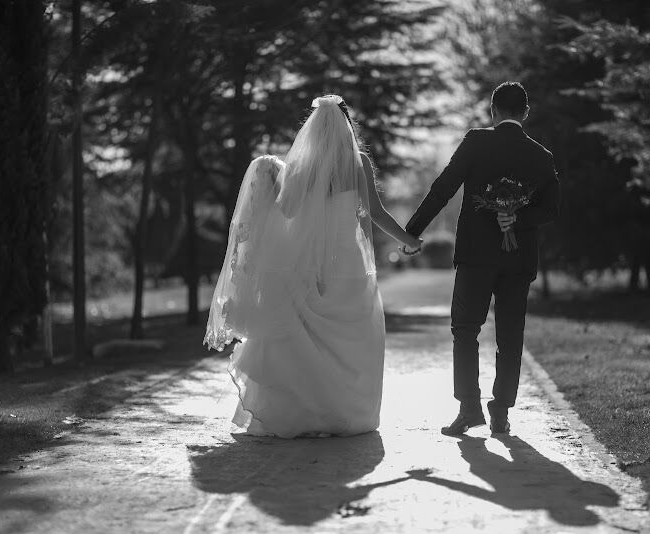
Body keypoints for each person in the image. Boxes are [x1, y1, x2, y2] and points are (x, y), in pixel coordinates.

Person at [204, 94, 422, 438]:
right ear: (347, 127)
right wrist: (409, 240)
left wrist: (276, 177)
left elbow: (287, 212)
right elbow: (375, 214)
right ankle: (343, 413)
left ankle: (305, 414)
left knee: (308, 340)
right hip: (347, 262)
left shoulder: (302, 167)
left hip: (307, 263)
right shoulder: (359, 163)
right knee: (351, 341)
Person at [405, 82, 559, 436]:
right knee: (510, 335)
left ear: (493, 111)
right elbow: (551, 209)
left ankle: (469, 409)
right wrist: (518, 217)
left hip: (475, 256)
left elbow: (443, 189)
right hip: (519, 259)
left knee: (465, 330)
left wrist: (412, 232)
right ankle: (501, 412)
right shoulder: (542, 156)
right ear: (526, 113)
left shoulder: (476, 141)